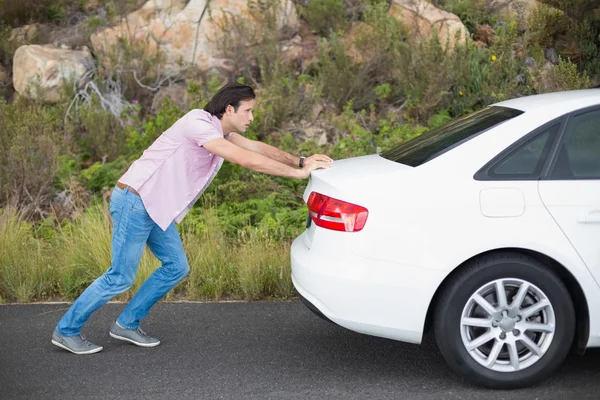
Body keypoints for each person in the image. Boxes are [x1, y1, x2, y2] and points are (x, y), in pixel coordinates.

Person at [51, 82, 333, 355]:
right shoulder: (198, 123)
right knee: (120, 276)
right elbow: (245, 160)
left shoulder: (222, 132)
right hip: (136, 201)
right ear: (229, 110)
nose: (252, 117)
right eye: (248, 110)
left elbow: (255, 148)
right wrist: (298, 175)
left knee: (176, 267)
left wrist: (300, 161)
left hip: (156, 207)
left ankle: (126, 324)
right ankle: (66, 330)